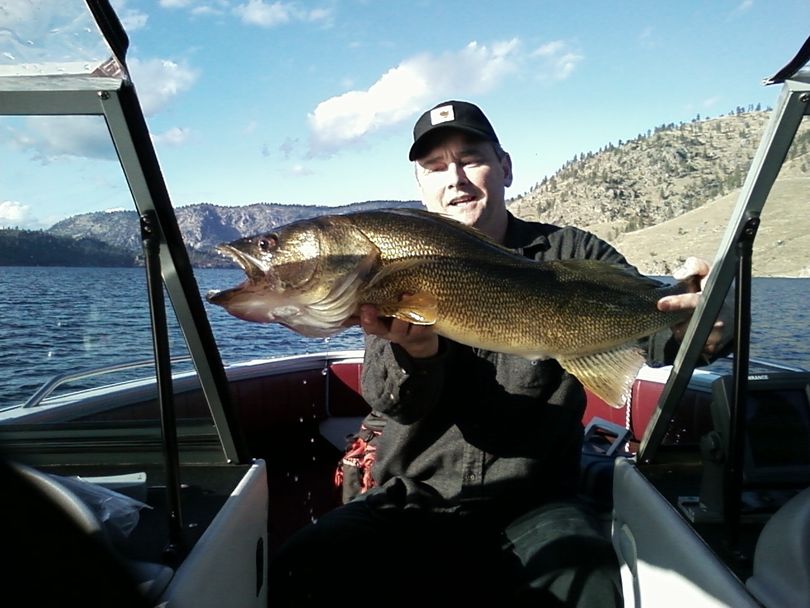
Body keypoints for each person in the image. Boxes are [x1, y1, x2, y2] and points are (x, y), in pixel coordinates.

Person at [268, 100, 732, 607]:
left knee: (592, 586)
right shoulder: (390, 260)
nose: (457, 179)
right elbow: (393, 401)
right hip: (414, 493)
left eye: (471, 159)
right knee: (304, 565)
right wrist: (418, 354)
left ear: (505, 166)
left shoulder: (574, 253)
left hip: (537, 501)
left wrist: (706, 325)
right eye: (436, 167)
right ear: (421, 185)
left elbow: (658, 330)